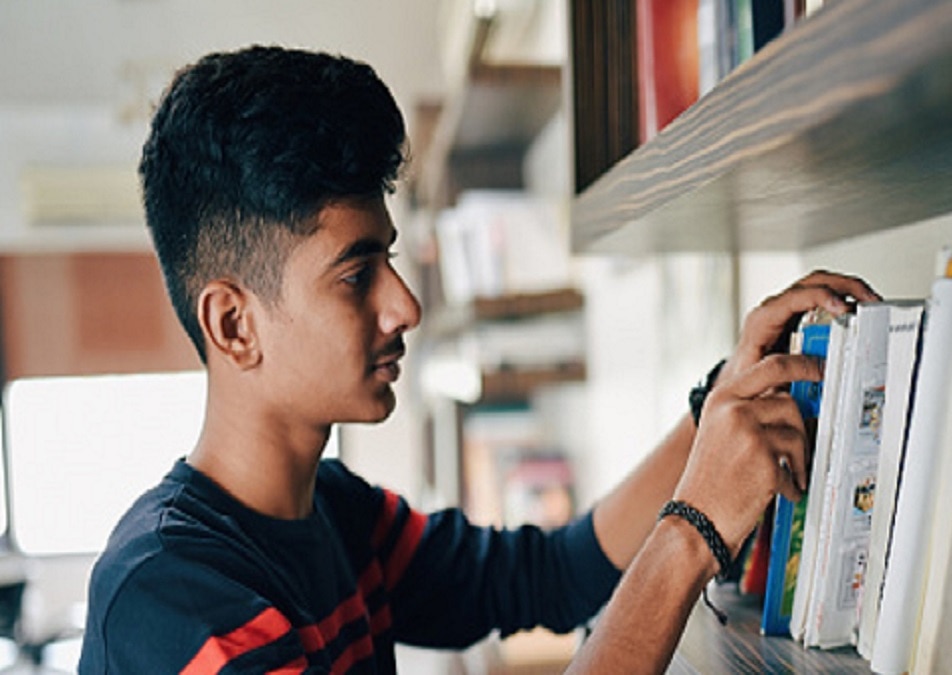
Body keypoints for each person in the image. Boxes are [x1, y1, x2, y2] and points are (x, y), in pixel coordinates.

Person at [78, 45, 878, 673]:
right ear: (233, 324)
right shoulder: (171, 600)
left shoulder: (336, 512)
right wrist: (693, 531)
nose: (404, 305)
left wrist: (718, 403)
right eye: (356, 275)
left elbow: (550, 575)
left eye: (390, 260)